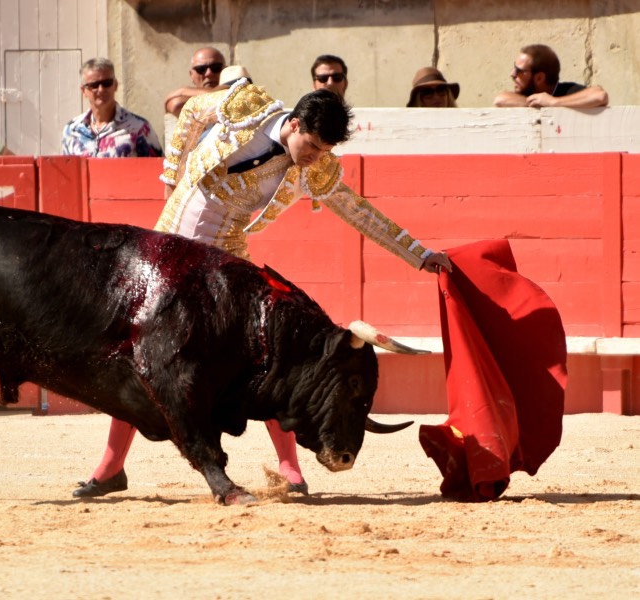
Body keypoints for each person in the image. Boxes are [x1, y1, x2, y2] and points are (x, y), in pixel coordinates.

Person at [73, 81, 452, 499]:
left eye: (324, 151)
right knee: (142, 350)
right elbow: (192, 112)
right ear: (293, 124)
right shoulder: (247, 107)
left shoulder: (314, 168)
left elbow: (359, 213)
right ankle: (111, 467)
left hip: (225, 253)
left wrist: (419, 254)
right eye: (311, 145)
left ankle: (290, 471)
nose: (314, 157)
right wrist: (170, 176)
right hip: (170, 237)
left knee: (267, 353)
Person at [61, 58, 162, 158]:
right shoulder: (72, 130)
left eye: (106, 83)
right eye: (94, 85)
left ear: (115, 85)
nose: (101, 90)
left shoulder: (139, 128)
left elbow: (158, 169)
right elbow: (67, 171)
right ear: (84, 91)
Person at [493, 44, 608, 108]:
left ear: (539, 78)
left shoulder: (566, 91)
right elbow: (500, 99)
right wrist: (535, 103)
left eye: (519, 71)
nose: (512, 74)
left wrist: (554, 102)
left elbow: (600, 95)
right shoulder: (526, 92)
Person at [163, 46, 227, 117]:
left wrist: (184, 91)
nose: (209, 73)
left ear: (226, 70)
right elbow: (176, 104)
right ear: (192, 75)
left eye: (216, 67)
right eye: (201, 69)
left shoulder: (238, 87)